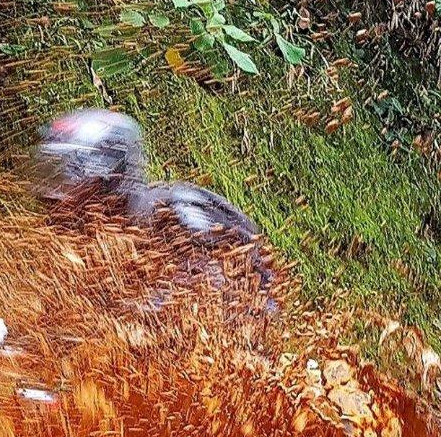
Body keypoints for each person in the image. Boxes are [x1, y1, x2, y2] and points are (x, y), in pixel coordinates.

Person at [32, 108, 276, 310]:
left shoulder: (180, 218)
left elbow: (213, 308)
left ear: (107, 180)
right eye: (51, 179)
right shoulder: (89, 254)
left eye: (65, 182)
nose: (55, 199)